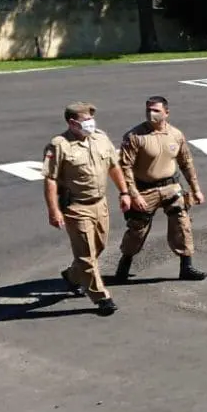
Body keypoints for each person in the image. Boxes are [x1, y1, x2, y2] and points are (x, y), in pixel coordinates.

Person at [41, 101, 126, 317]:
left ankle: (72, 275)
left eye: (91, 119)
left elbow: (113, 166)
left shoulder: (100, 137)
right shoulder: (59, 145)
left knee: (100, 245)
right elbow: (50, 180)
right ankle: (101, 297)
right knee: (86, 254)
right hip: (76, 207)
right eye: (86, 120)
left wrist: (124, 192)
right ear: (72, 123)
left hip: (100, 203)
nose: (91, 123)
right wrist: (54, 211)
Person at [114, 96, 207, 283]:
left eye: (156, 110)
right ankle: (124, 266)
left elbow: (186, 162)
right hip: (144, 190)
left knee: (182, 225)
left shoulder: (176, 134)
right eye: (148, 109)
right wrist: (133, 194)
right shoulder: (135, 136)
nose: (151, 113)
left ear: (166, 112)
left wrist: (196, 189)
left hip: (171, 187)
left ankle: (186, 267)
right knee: (137, 230)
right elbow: (125, 168)